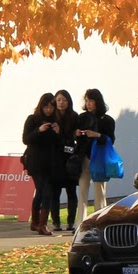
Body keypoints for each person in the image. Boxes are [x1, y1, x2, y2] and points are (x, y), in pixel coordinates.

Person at [72, 88, 116, 227]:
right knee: (82, 191)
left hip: (99, 157)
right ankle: (81, 223)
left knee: (100, 192)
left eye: (91, 100)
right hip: (84, 156)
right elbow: (75, 136)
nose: (88, 103)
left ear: (98, 101)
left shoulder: (107, 120)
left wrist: (96, 135)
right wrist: (77, 134)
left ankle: (100, 221)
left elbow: (110, 139)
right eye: (86, 100)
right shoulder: (82, 117)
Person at [20, 94, 60, 235]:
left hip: (49, 163)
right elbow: (26, 139)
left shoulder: (55, 121)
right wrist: (39, 130)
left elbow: (57, 144)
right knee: (45, 191)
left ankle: (36, 222)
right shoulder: (33, 119)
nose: (49, 110)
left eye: (51, 107)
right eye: (46, 107)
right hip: (35, 162)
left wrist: (57, 133)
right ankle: (41, 224)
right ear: (41, 106)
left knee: (42, 192)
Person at [49, 89, 79, 232]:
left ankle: (71, 221)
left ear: (69, 102)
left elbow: (74, 137)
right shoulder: (50, 116)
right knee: (54, 192)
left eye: (64, 100)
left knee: (71, 191)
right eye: (59, 100)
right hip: (55, 158)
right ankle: (56, 222)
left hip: (69, 158)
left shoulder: (74, 117)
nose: (61, 103)